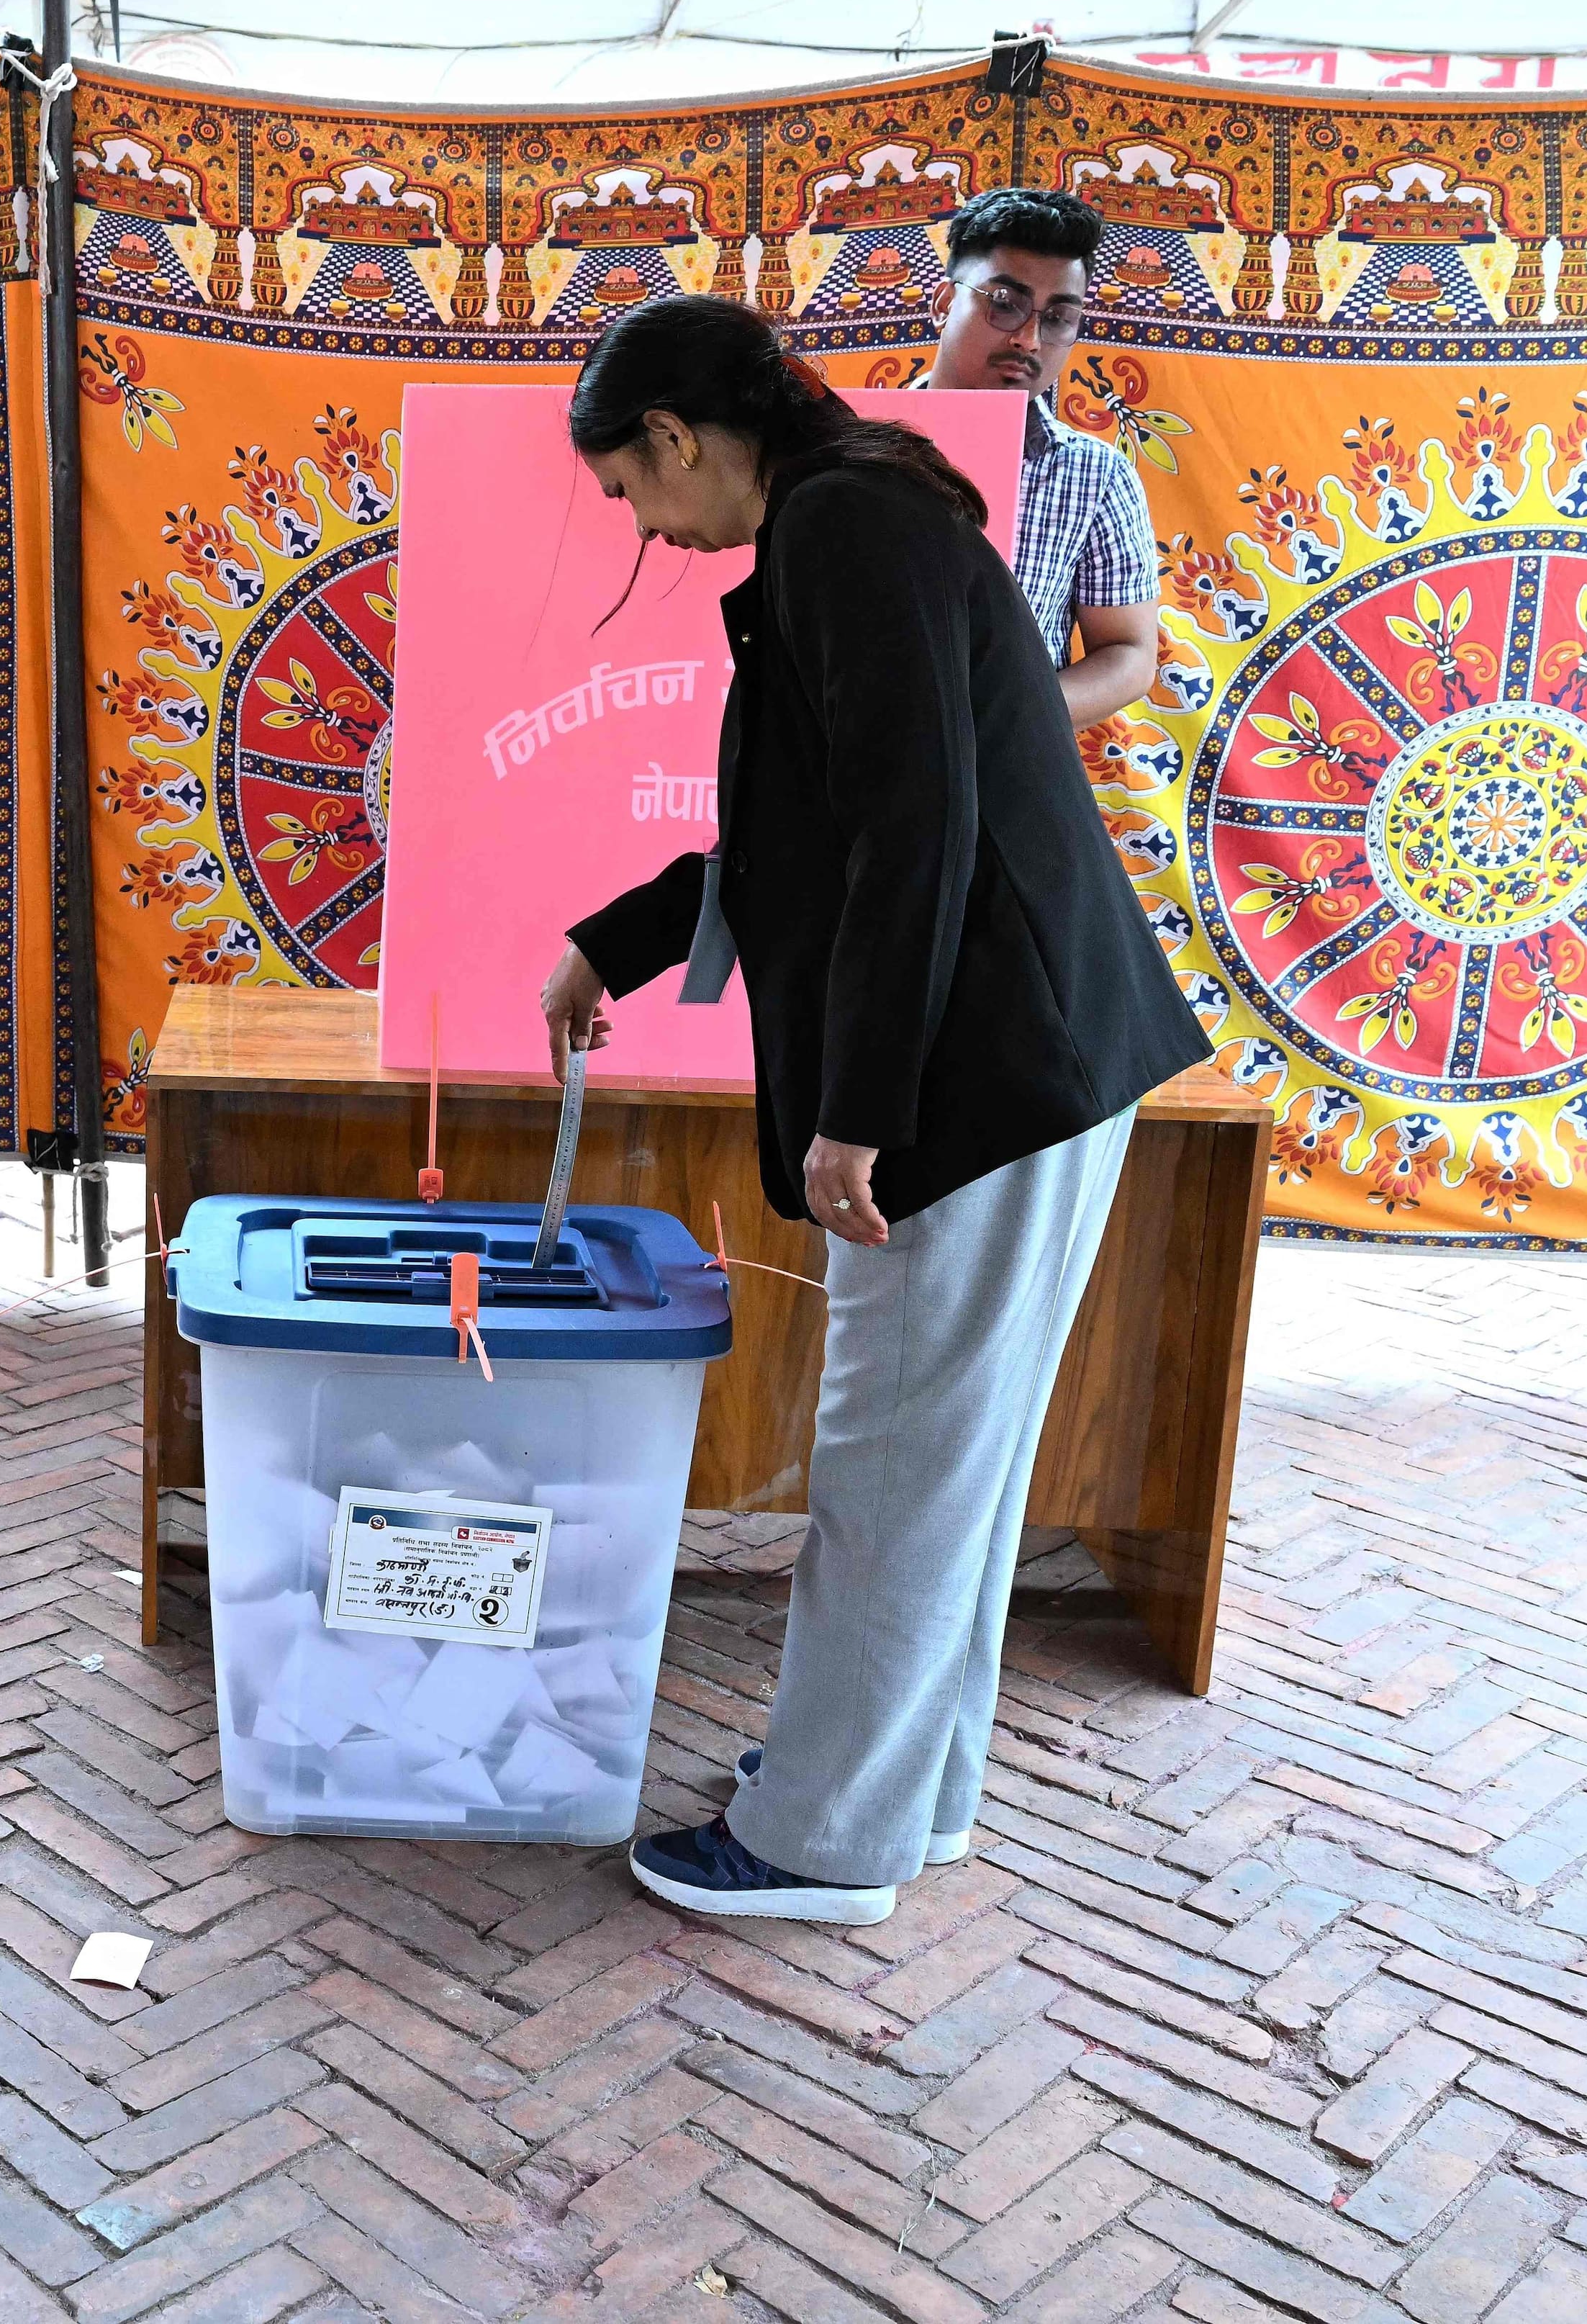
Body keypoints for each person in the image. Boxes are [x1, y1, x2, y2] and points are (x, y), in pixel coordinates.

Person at [535, 294, 1210, 1926]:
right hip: (1024, 1060)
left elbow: (918, 834)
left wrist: (859, 1112)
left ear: (681, 437)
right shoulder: (857, 523)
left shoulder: (845, 531)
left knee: (899, 1456)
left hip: (973, 1078)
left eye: (629, 484)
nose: (637, 519)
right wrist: (610, 941)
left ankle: (822, 1841)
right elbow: (807, 837)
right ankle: (916, 1793)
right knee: (948, 1458)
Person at [917, 187, 1162, 728]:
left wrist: (997, 718)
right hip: (846, 773)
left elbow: (1129, 653)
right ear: (943, 304)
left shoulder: (1096, 475)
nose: (1029, 340)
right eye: (1004, 305)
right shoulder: (843, 444)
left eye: (1057, 319)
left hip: (1006, 789)